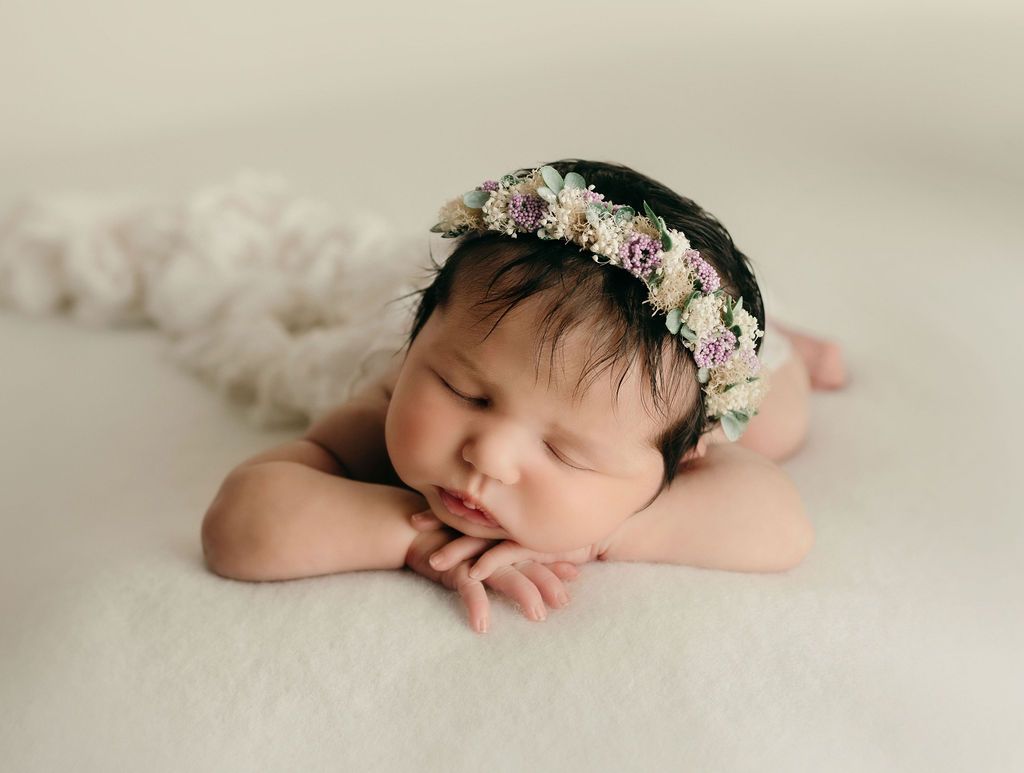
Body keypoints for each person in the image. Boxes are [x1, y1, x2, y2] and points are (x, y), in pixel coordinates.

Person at [200, 159, 847, 634]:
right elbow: (242, 522)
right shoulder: (393, 392)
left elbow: (783, 528)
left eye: (565, 452)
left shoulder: (656, 429)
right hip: (498, 325)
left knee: (776, 424)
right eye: (465, 394)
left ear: (680, 464)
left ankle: (783, 338)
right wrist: (413, 537)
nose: (489, 456)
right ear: (417, 345)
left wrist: (601, 534)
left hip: (683, 349)